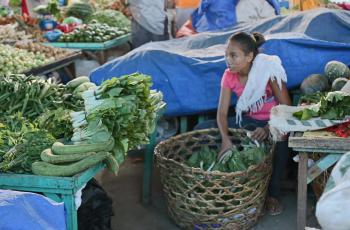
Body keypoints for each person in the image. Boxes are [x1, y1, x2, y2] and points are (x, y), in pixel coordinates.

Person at [195, 32, 292, 215]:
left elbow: (287, 108)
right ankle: (222, 179)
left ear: (249, 57)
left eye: (233, 55)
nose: (228, 60)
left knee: (280, 139)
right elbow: (222, 113)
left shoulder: (268, 71)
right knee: (201, 130)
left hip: (276, 120)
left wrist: (267, 128)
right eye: (226, 55)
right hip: (249, 121)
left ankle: (273, 194)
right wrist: (225, 139)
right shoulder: (229, 75)